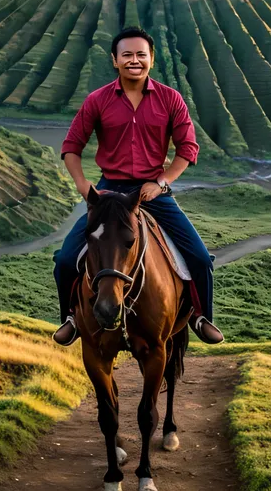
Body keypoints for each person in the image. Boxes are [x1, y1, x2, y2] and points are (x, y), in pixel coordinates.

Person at [53, 26, 224, 346]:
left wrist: (162, 182)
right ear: (115, 60)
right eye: (127, 55)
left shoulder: (171, 99)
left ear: (152, 59)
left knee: (199, 257)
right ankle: (71, 319)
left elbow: (187, 149)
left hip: (151, 192)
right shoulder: (97, 100)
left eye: (141, 55)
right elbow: (72, 146)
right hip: (108, 193)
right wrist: (82, 184)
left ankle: (202, 317)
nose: (135, 60)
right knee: (65, 259)